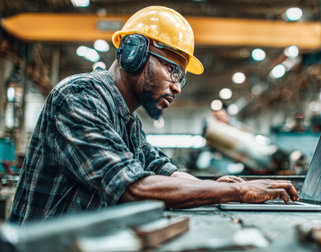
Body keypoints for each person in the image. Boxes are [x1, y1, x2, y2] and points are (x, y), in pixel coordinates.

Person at [8, 6, 298, 225]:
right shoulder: (79, 97)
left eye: (181, 77)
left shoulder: (128, 123)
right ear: (133, 53)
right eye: (173, 70)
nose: (176, 86)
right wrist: (235, 194)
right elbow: (131, 186)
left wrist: (219, 185)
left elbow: (164, 171)